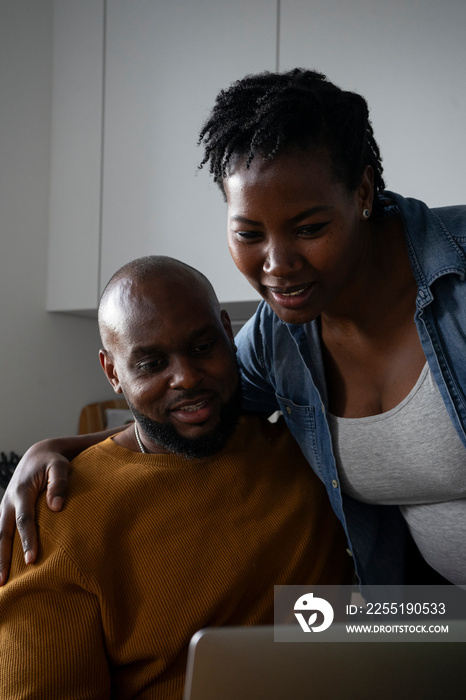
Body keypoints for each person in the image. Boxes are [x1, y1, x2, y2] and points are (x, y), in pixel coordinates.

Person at [1, 68, 465, 587]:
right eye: (249, 233)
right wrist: (59, 448)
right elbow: (196, 405)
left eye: (310, 229)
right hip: (430, 619)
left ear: (361, 191)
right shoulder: (278, 338)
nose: (278, 264)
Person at [0, 256, 351, 699]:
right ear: (113, 373)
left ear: (228, 332)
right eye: (151, 364)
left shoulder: (307, 453)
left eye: (203, 347)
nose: (186, 377)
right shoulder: (58, 512)